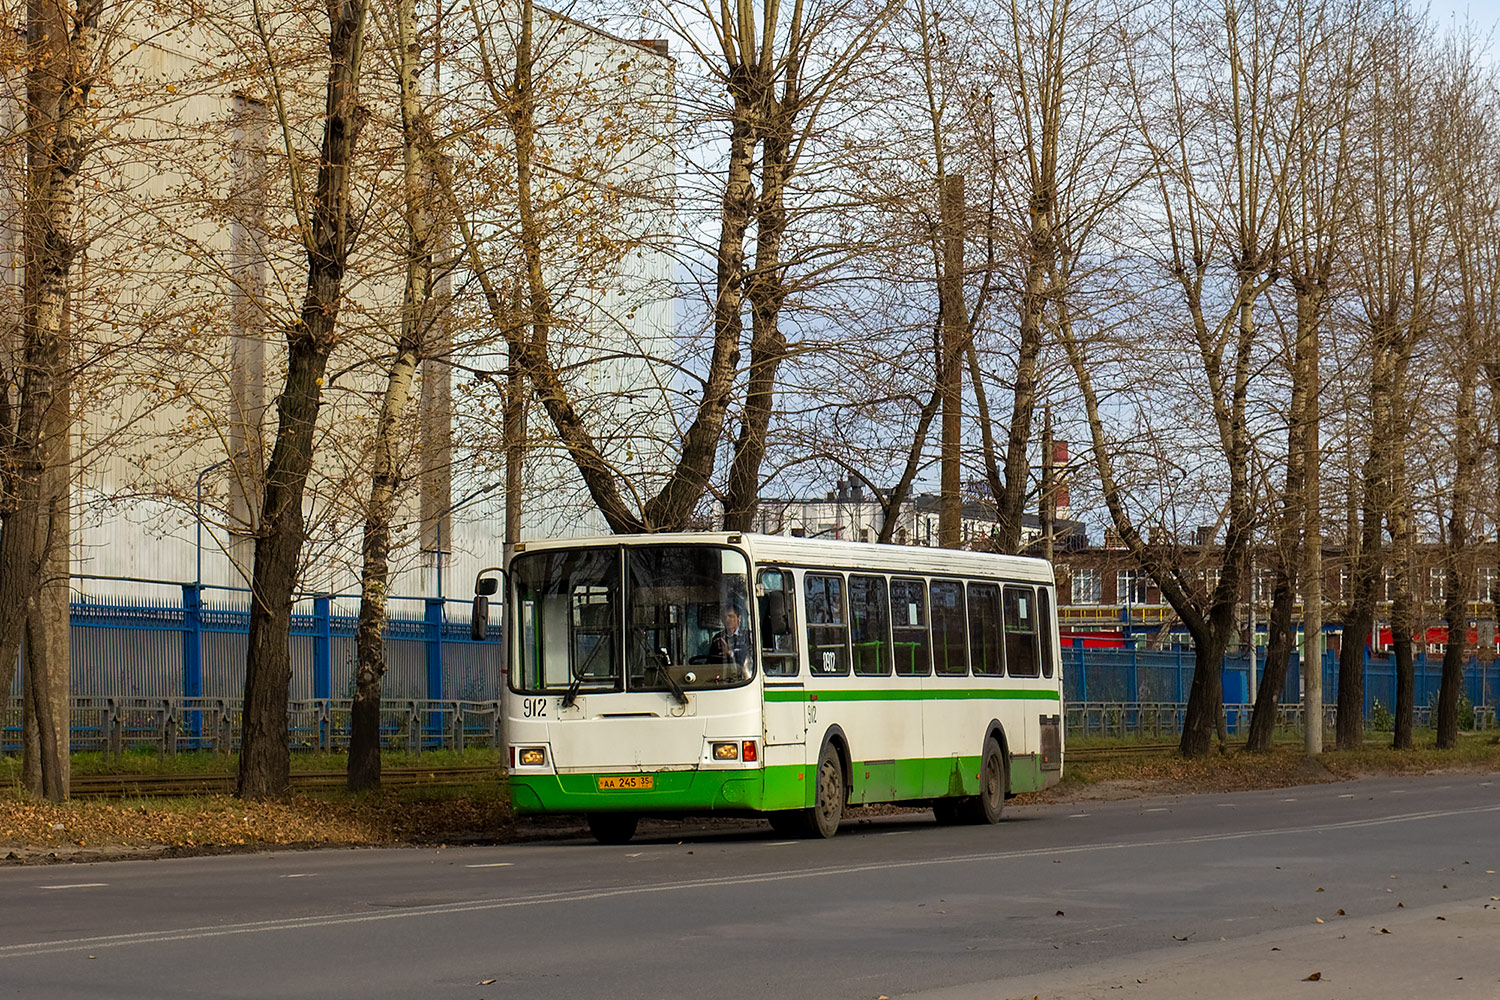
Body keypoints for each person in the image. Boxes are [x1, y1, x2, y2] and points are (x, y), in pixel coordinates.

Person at [710, 603, 752, 670]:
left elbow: (748, 658)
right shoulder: (718, 638)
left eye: (730, 616)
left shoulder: (747, 636)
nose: (727, 619)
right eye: (724, 617)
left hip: (743, 674)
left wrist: (728, 653)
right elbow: (711, 661)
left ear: (739, 618)